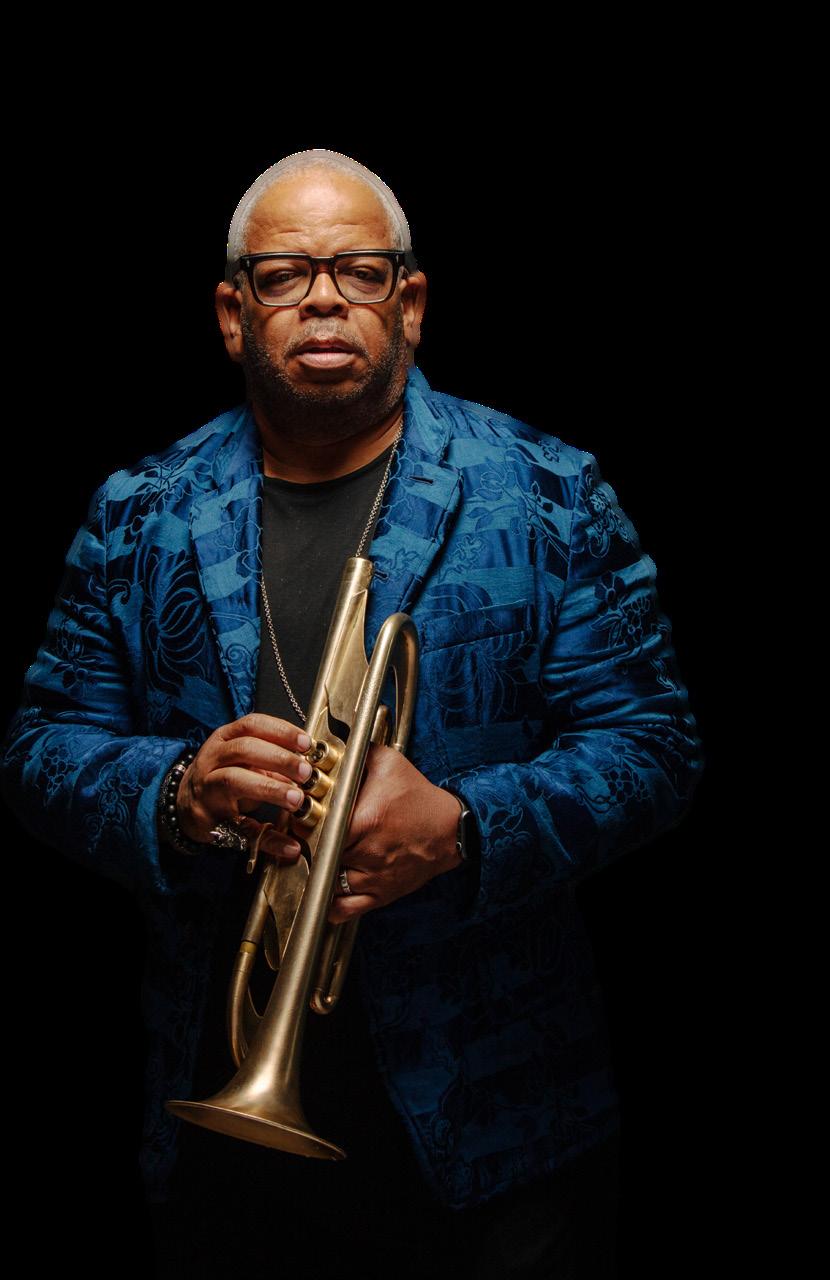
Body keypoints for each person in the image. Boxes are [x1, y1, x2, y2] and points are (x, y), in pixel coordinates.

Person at [0, 148, 704, 1278]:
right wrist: (178, 793)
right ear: (233, 314)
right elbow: (41, 748)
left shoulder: (550, 491)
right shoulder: (140, 511)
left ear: (408, 304)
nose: (324, 298)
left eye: (360, 271)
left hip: (496, 1125)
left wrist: (463, 828)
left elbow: (653, 749)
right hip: (215, 1131)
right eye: (284, 274)